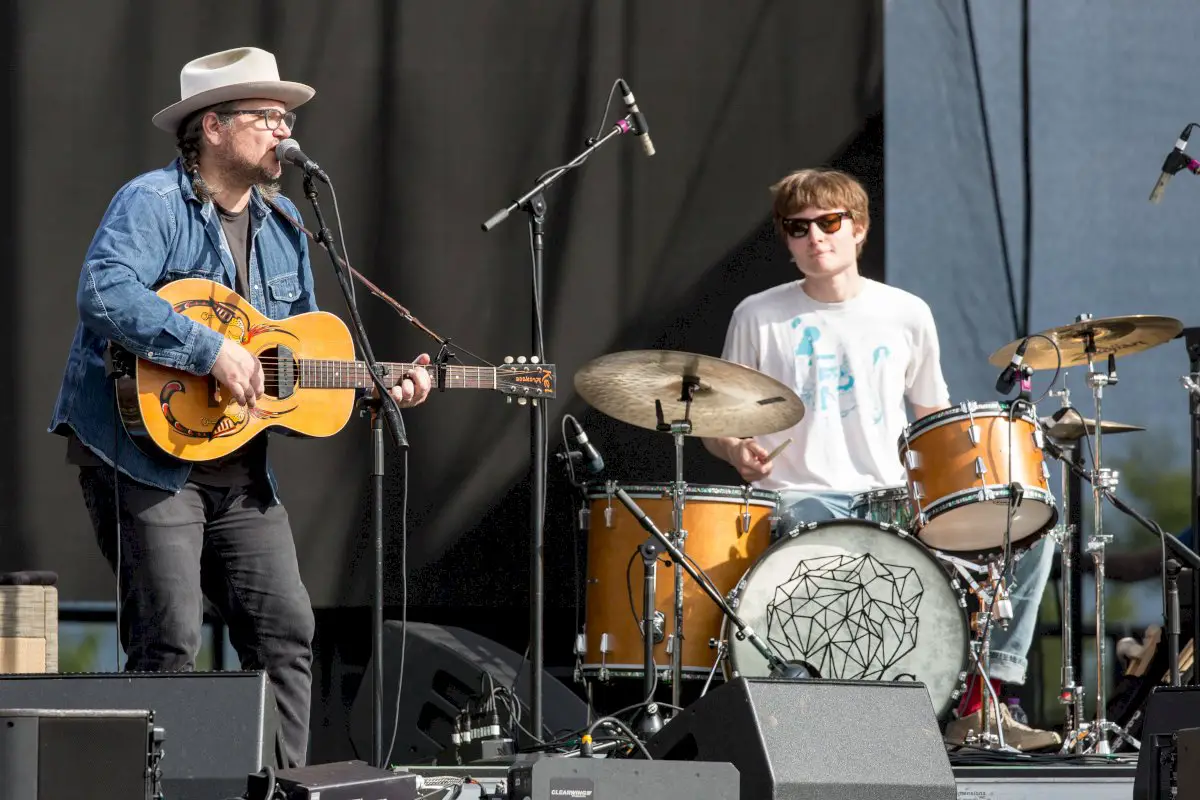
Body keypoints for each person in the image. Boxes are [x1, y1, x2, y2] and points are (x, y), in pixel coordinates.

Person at [47, 47, 432, 767]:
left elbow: (300, 353)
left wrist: (376, 382)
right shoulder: (152, 203)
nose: (285, 132)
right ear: (213, 127)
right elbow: (103, 294)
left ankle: (280, 788)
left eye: (286, 118)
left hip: (238, 469)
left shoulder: (286, 225)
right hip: (144, 456)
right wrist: (208, 350)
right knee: (169, 639)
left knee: (286, 630)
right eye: (266, 117)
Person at [702, 167, 1060, 750]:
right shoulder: (757, 316)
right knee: (806, 530)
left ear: (859, 228)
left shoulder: (906, 312)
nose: (815, 237)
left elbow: (932, 419)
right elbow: (717, 426)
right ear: (786, 240)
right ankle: (828, 727)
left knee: (1033, 529)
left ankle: (987, 699)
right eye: (798, 228)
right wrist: (734, 448)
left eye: (829, 222)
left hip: (895, 498)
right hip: (799, 501)